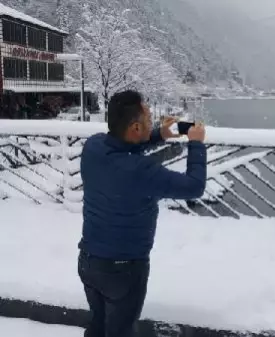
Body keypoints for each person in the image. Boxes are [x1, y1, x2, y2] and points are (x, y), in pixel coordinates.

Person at [77, 90, 207, 337]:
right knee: (120, 331)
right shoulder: (141, 170)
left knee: (97, 326)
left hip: (89, 262)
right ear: (135, 127)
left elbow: (125, 146)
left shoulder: (93, 146)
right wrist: (196, 143)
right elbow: (194, 186)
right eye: (149, 119)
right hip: (124, 271)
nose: (153, 121)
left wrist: (160, 134)